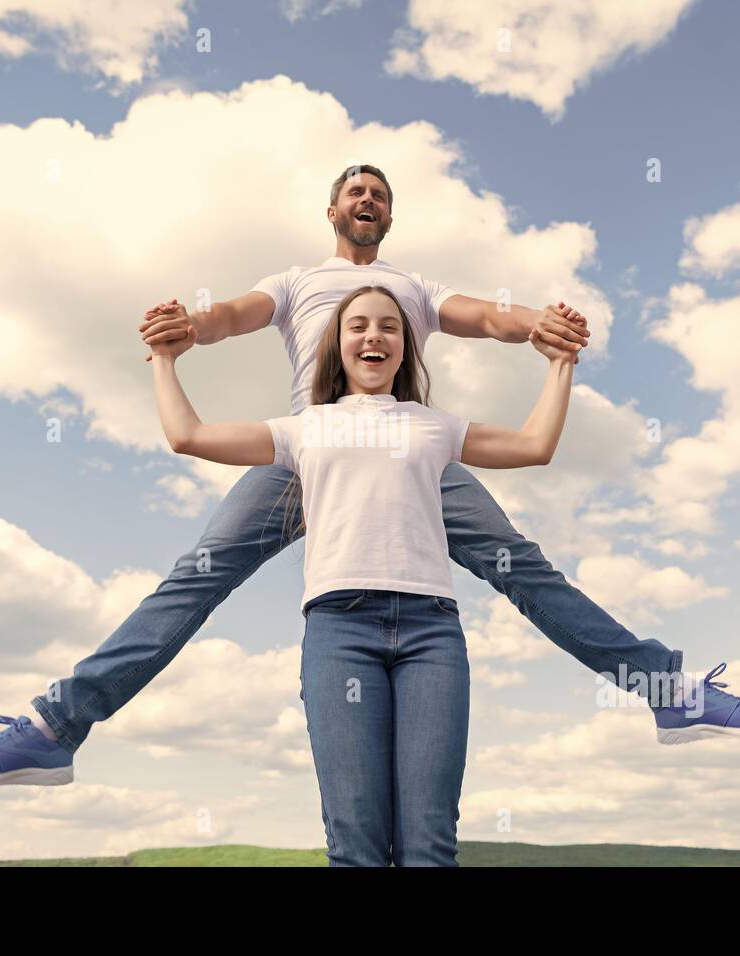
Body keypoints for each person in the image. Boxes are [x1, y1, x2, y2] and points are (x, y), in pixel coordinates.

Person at [0, 164, 740, 789]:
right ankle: (54, 724)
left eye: (381, 194)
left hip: (413, 458)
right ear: (332, 209)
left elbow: (489, 314)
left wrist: (544, 328)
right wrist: (184, 327)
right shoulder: (298, 279)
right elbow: (229, 316)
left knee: (524, 569)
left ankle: (667, 690)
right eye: (356, 191)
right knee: (190, 580)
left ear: (389, 218)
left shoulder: (414, 288)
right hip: (310, 452)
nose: (367, 201)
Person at [160, 282, 578, 865]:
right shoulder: (305, 428)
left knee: (428, 844)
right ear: (337, 344)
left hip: (431, 633)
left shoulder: (432, 426)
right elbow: (189, 436)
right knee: (355, 841)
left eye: (389, 325)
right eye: (357, 325)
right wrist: (164, 358)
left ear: (405, 347)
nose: (373, 334)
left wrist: (561, 364)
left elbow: (534, 445)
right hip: (339, 632)